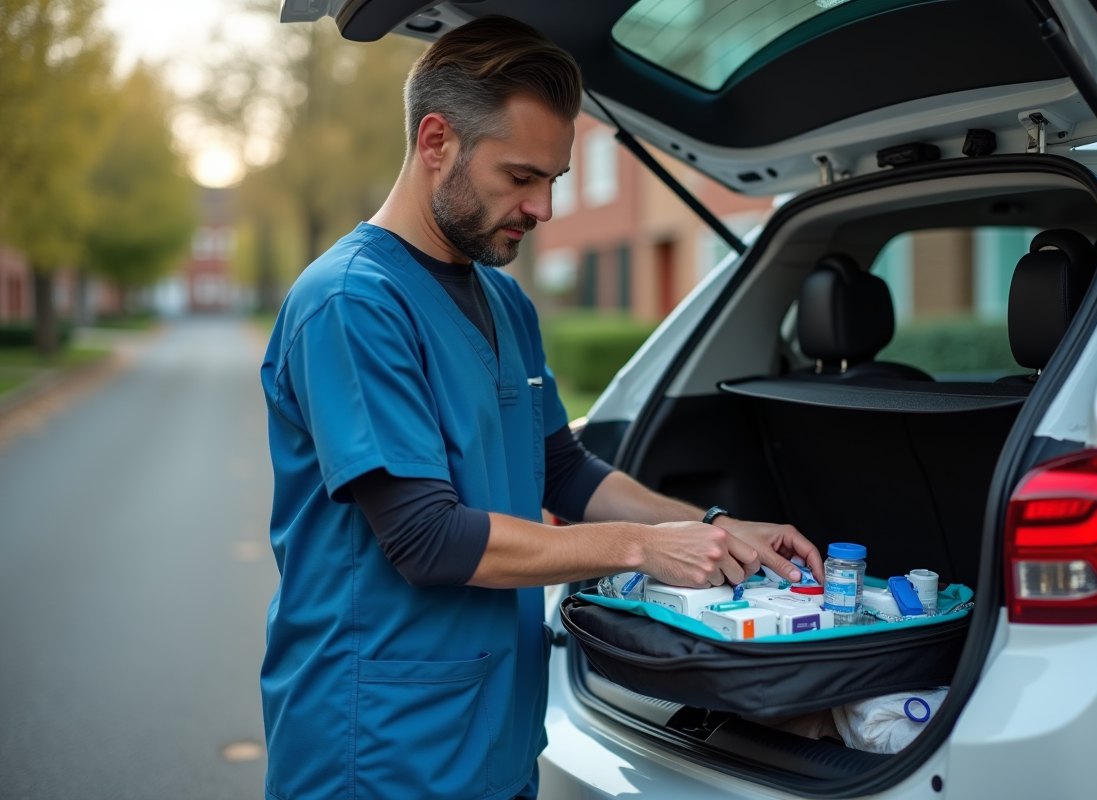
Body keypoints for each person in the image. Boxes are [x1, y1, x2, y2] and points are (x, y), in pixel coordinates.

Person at [259, 15, 824, 800]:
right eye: (522, 176)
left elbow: (564, 470)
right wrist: (641, 548)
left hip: (496, 732)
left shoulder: (505, 301)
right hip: (379, 746)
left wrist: (715, 529)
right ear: (435, 141)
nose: (544, 207)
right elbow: (426, 539)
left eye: (555, 179)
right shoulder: (353, 303)